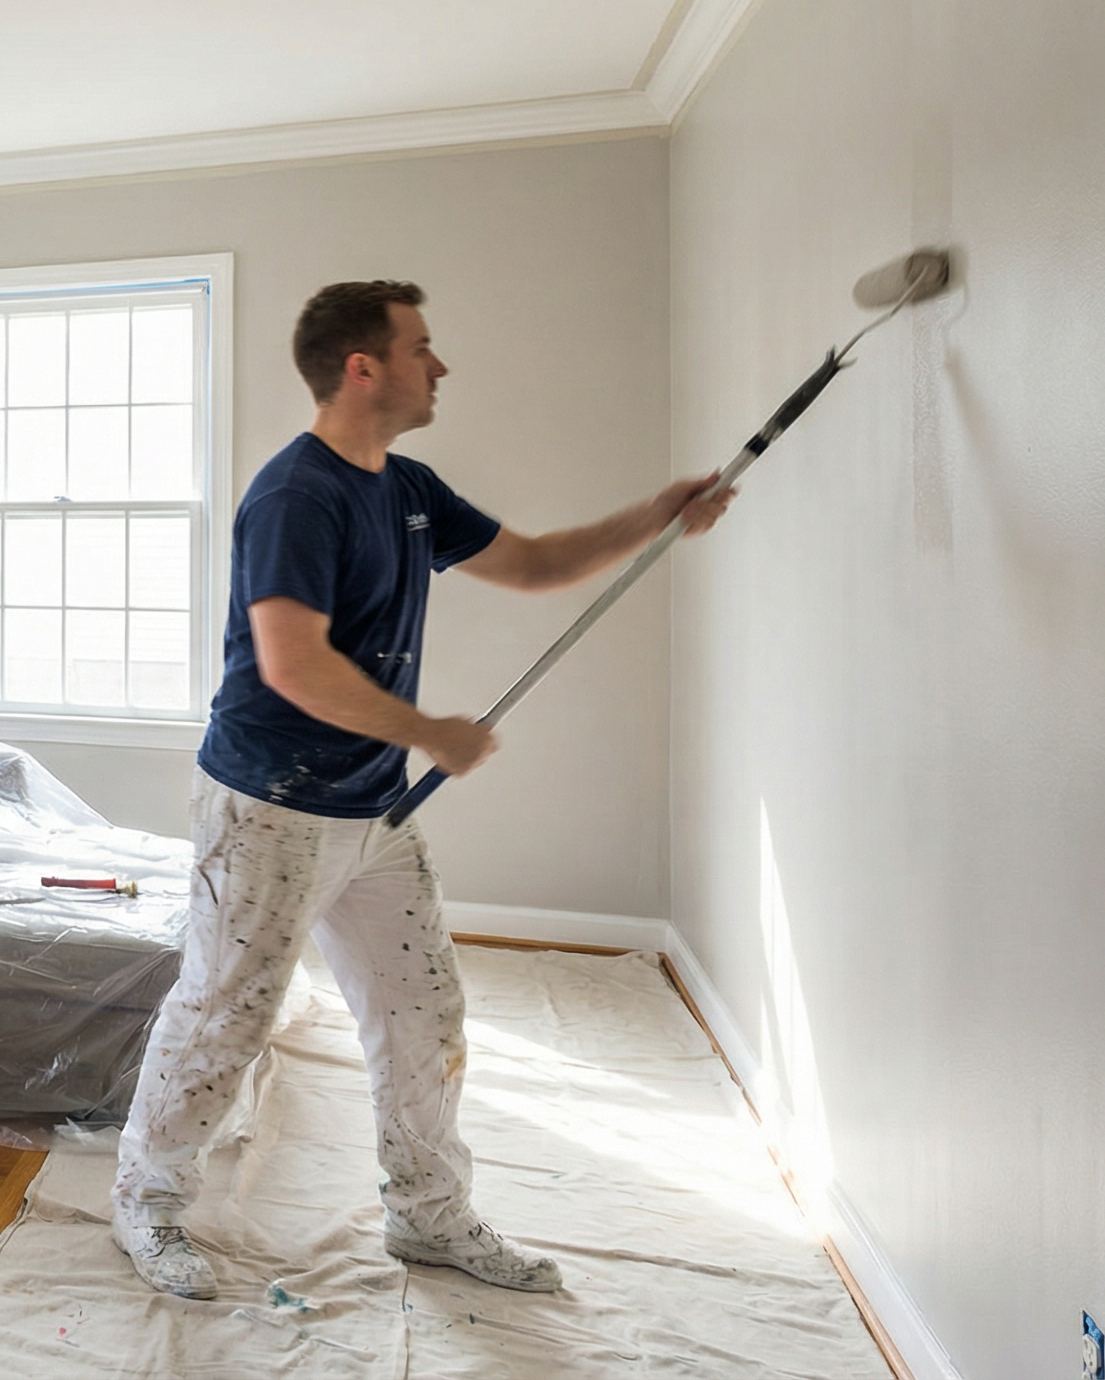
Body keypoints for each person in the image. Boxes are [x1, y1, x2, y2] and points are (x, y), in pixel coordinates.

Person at [111, 280, 734, 1299]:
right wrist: (427, 733)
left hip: (372, 812)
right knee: (224, 1015)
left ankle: (428, 1215)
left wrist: (655, 517)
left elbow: (530, 565)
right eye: (420, 347)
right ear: (364, 367)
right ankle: (145, 1204)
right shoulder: (293, 496)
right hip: (268, 805)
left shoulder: (405, 488)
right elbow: (291, 663)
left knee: (424, 1015)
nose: (437, 365)